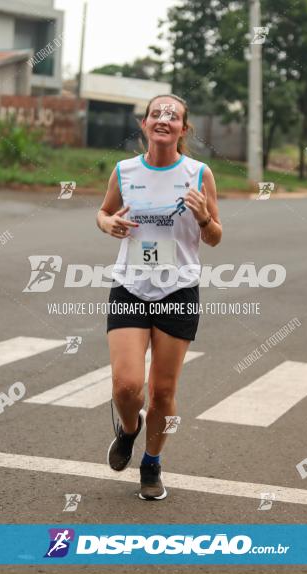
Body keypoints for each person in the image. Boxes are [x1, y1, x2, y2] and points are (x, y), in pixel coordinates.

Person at [96, 94, 222, 500]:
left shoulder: (200, 174)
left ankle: (152, 462)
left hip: (178, 290)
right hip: (130, 286)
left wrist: (204, 216)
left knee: (163, 392)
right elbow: (103, 212)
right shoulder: (124, 170)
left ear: (184, 129)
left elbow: (215, 236)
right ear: (145, 124)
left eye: (173, 116)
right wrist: (108, 223)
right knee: (127, 386)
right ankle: (129, 429)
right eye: (157, 114)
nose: (164, 119)